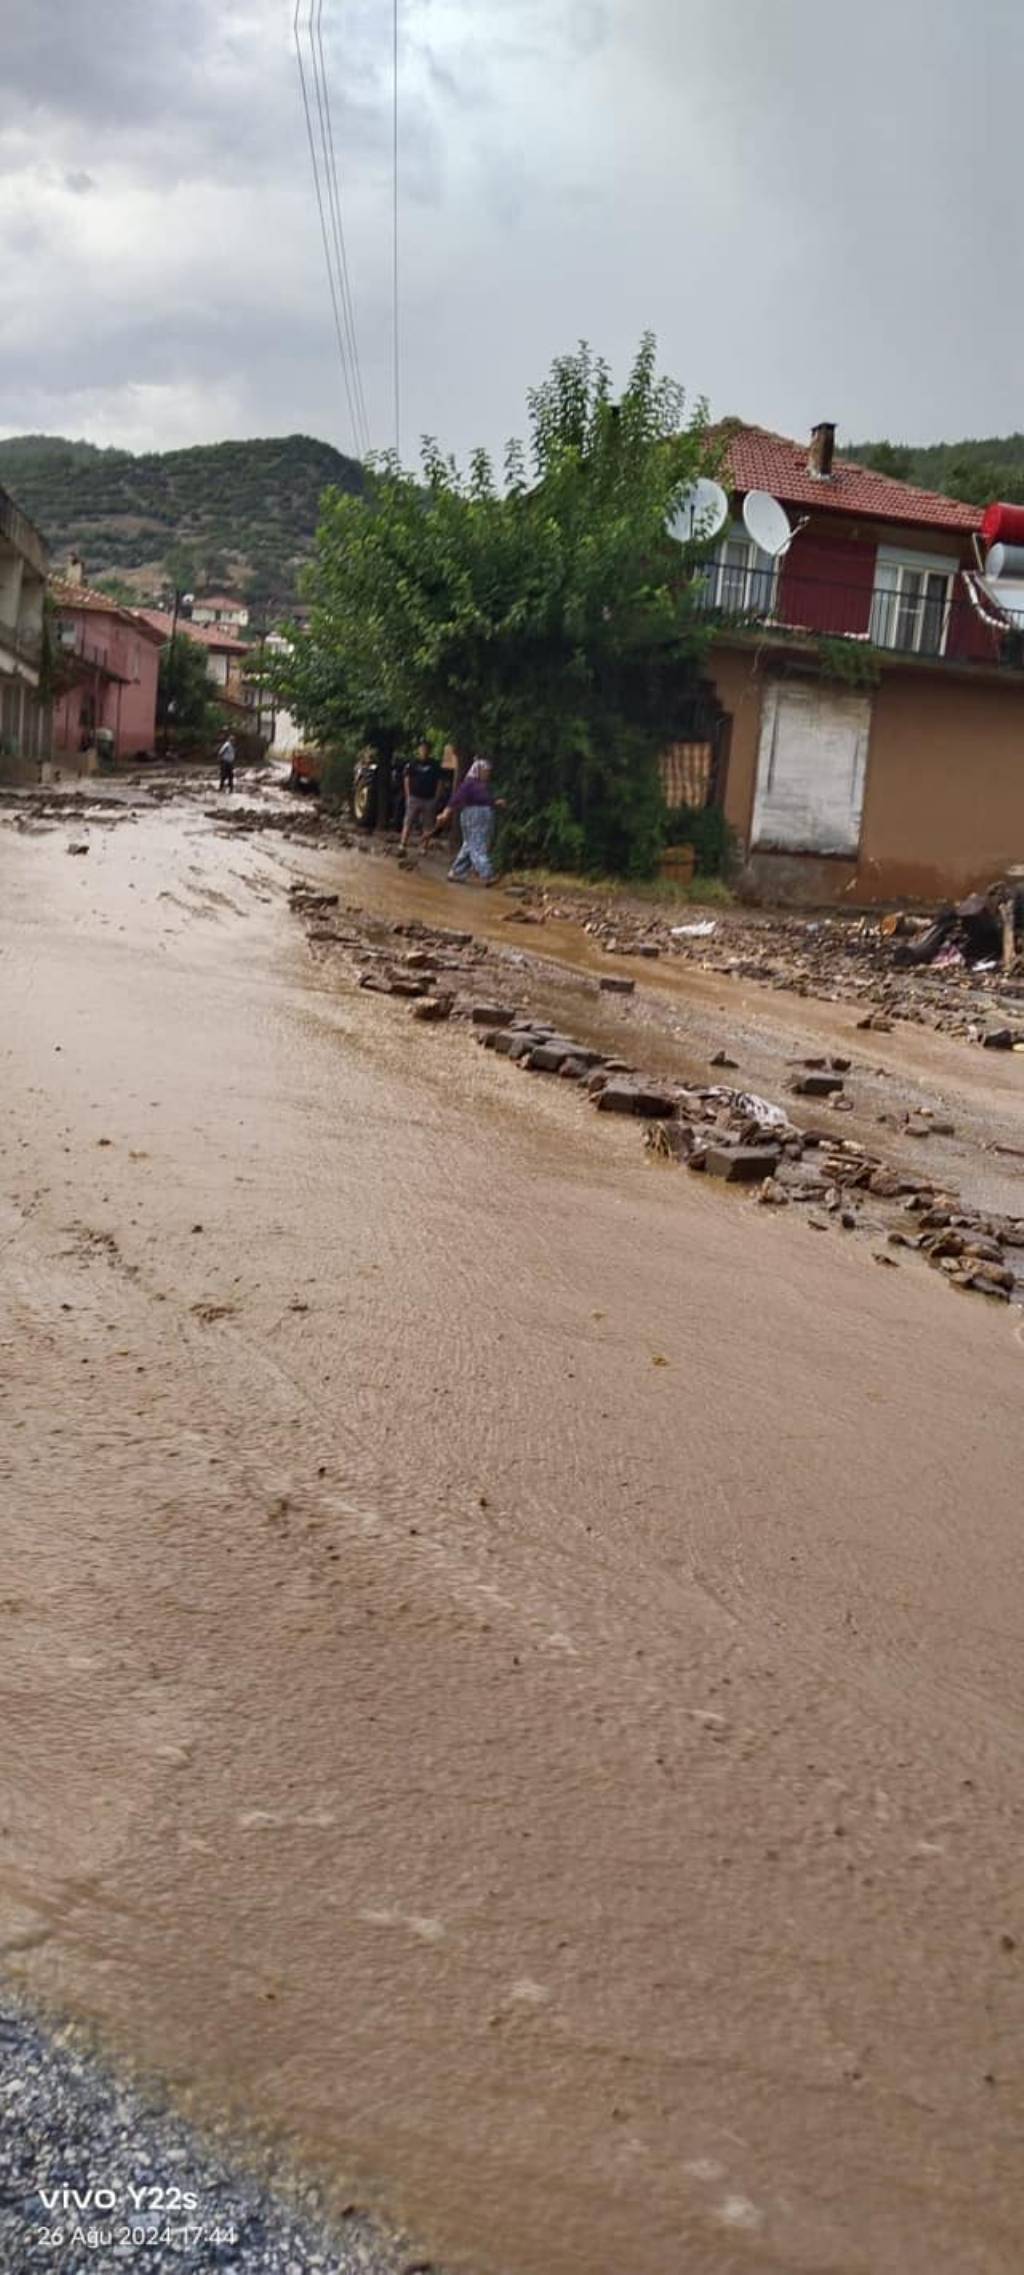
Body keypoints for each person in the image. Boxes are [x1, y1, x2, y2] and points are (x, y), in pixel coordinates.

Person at [434, 757, 505, 885]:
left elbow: (484, 800)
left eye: (488, 772)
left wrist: (495, 802)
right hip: (473, 817)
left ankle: (456, 872)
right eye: (485, 771)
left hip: (482, 817)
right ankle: (487, 873)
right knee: (477, 845)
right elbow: (456, 799)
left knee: (469, 845)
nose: (487, 774)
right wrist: (446, 813)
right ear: (478, 770)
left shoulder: (482, 786)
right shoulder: (469, 784)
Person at [401, 737, 441, 850]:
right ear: (419, 750)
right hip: (414, 797)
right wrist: (408, 795)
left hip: (429, 798)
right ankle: (403, 844)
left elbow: (440, 781)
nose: (424, 750)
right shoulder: (412, 763)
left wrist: (436, 797)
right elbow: (407, 779)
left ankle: (423, 847)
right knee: (408, 821)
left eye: (426, 748)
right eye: (422, 748)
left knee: (428, 824)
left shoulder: (434, 765)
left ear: (429, 750)